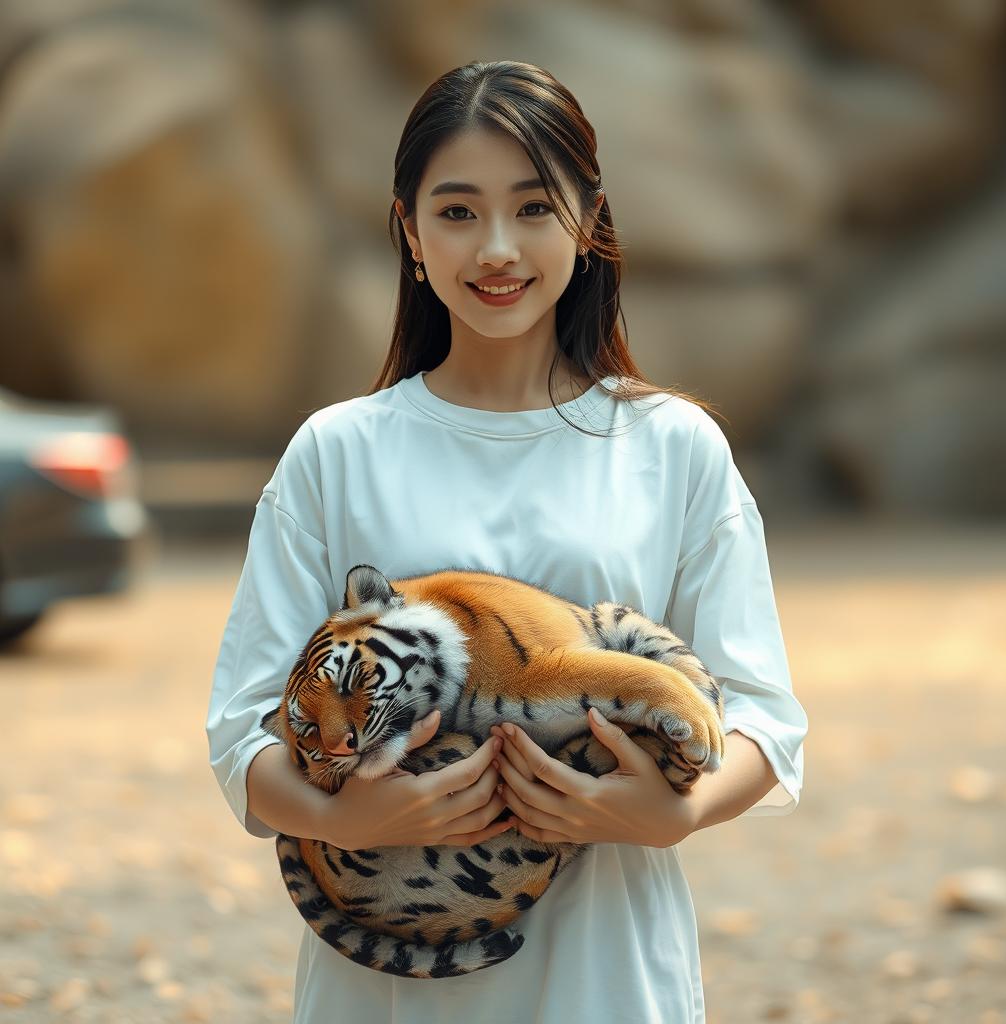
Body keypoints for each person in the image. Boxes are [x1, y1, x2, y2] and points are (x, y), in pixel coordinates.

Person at [205, 59, 808, 1024]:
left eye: (533, 208)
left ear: (589, 218)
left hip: (607, 973)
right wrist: (338, 813)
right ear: (407, 229)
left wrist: (676, 812)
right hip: (387, 983)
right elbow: (239, 727)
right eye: (456, 212)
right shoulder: (337, 451)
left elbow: (768, 719)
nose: (496, 248)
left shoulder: (672, 446)